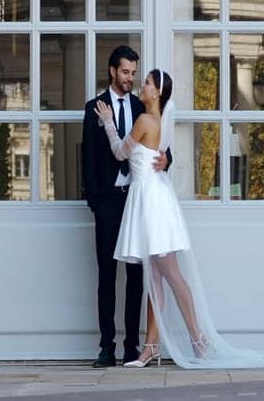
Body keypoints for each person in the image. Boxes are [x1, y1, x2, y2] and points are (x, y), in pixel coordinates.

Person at [92, 68, 264, 369]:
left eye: (148, 83)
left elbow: (120, 153)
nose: (143, 85)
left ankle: (198, 339)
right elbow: (156, 155)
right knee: (156, 278)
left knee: (170, 275)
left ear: (157, 92)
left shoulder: (144, 120)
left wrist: (109, 123)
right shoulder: (159, 122)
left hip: (150, 200)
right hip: (152, 196)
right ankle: (152, 346)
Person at [80, 46, 168, 368]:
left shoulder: (140, 107)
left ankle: (132, 346)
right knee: (106, 275)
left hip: (137, 200)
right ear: (112, 71)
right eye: (125, 72)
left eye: (134, 73)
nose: (130, 78)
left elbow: (157, 149)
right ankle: (107, 347)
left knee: (136, 276)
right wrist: (95, 202)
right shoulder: (94, 108)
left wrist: (166, 159)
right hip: (107, 202)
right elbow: (87, 157)